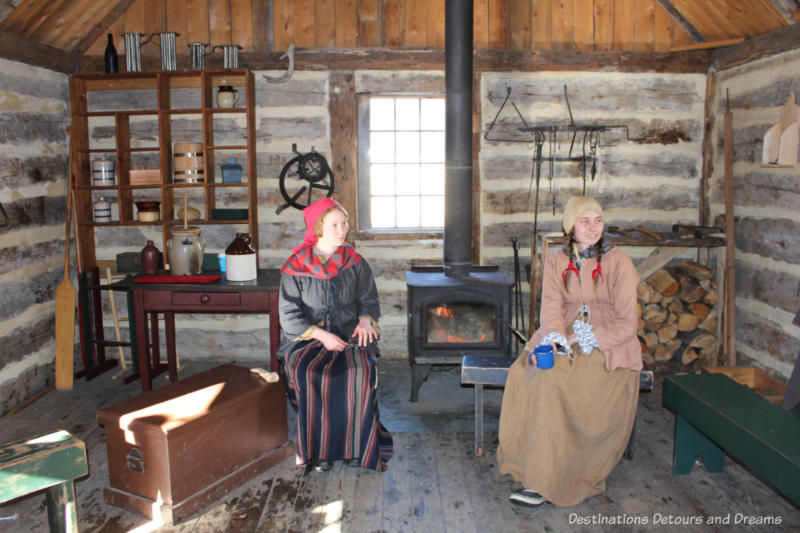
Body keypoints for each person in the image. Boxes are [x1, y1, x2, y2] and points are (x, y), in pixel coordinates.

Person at [497, 195, 642, 507]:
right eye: (584, 221)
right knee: (523, 371)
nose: (592, 227)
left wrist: (578, 338)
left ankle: (546, 480)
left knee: (554, 381)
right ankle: (526, 461)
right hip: (564, 330)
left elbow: (627, 325)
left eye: (598, 220)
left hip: (607, 340)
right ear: (570, 227)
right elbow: (550, 310)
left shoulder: (619, 263)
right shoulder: (557, 261)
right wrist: (553, 338)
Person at [278, 197, 393, 472]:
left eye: (345, 224)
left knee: (358, 372)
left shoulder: (355, 262)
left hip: (349, 336)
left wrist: (366, 321)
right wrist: (320, 335)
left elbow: (370, 301)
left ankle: (356, 449)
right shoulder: (295, 266)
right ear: (318, 228)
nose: (342, 230)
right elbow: (289, 316)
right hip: (307, 340)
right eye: (335, 225)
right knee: (311, 374)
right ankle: (319, 453)